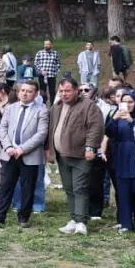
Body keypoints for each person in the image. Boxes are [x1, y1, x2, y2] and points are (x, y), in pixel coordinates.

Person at [47, 79, 104, 236]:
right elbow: (51, 129)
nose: (64, 94)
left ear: (76, 90)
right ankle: (73, 219)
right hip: (62, 154)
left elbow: (95, 128)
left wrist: (90, 147)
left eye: (67, 91)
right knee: (69, 188)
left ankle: (81, 222)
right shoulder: (56, 107)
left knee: (80, 188)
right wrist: (49, 150)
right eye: (61, 91)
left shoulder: (88, 106)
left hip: (80, 155)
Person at [0, 81, 48, 228]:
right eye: (22, 90)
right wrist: (9, 147)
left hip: (29, 155)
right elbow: (2, 128)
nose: (24, 93)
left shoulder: (41, 110)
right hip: (9, 154)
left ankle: (23, 217)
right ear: (18, 92)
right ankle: (0, 216)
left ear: (35, 94)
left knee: (28, 188)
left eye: (29, 91)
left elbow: (41, 134)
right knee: (5, 186)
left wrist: (22, 149)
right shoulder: (10, 108)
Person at [105, 89, 135, 234]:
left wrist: (130, 120)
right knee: (122, 190)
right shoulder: (118, 116)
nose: (127, 105)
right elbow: (108, 131)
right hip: (121, 154)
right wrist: (114, 119)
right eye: (124, 102)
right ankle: (126, 223)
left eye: (130, 102)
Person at [34, 40, 60, 104]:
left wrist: (55, 71)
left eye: (48, 44)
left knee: (52, 91)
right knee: (43, 91)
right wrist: (41, 71)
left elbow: (58, 64)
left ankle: (52, 105)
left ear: (51, 45)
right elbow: (36, 63)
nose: (46, 45)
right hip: (42, 75)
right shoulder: (39, 53)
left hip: (51, 75)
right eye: (45, 44)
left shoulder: (55, 53)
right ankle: (42, 104)